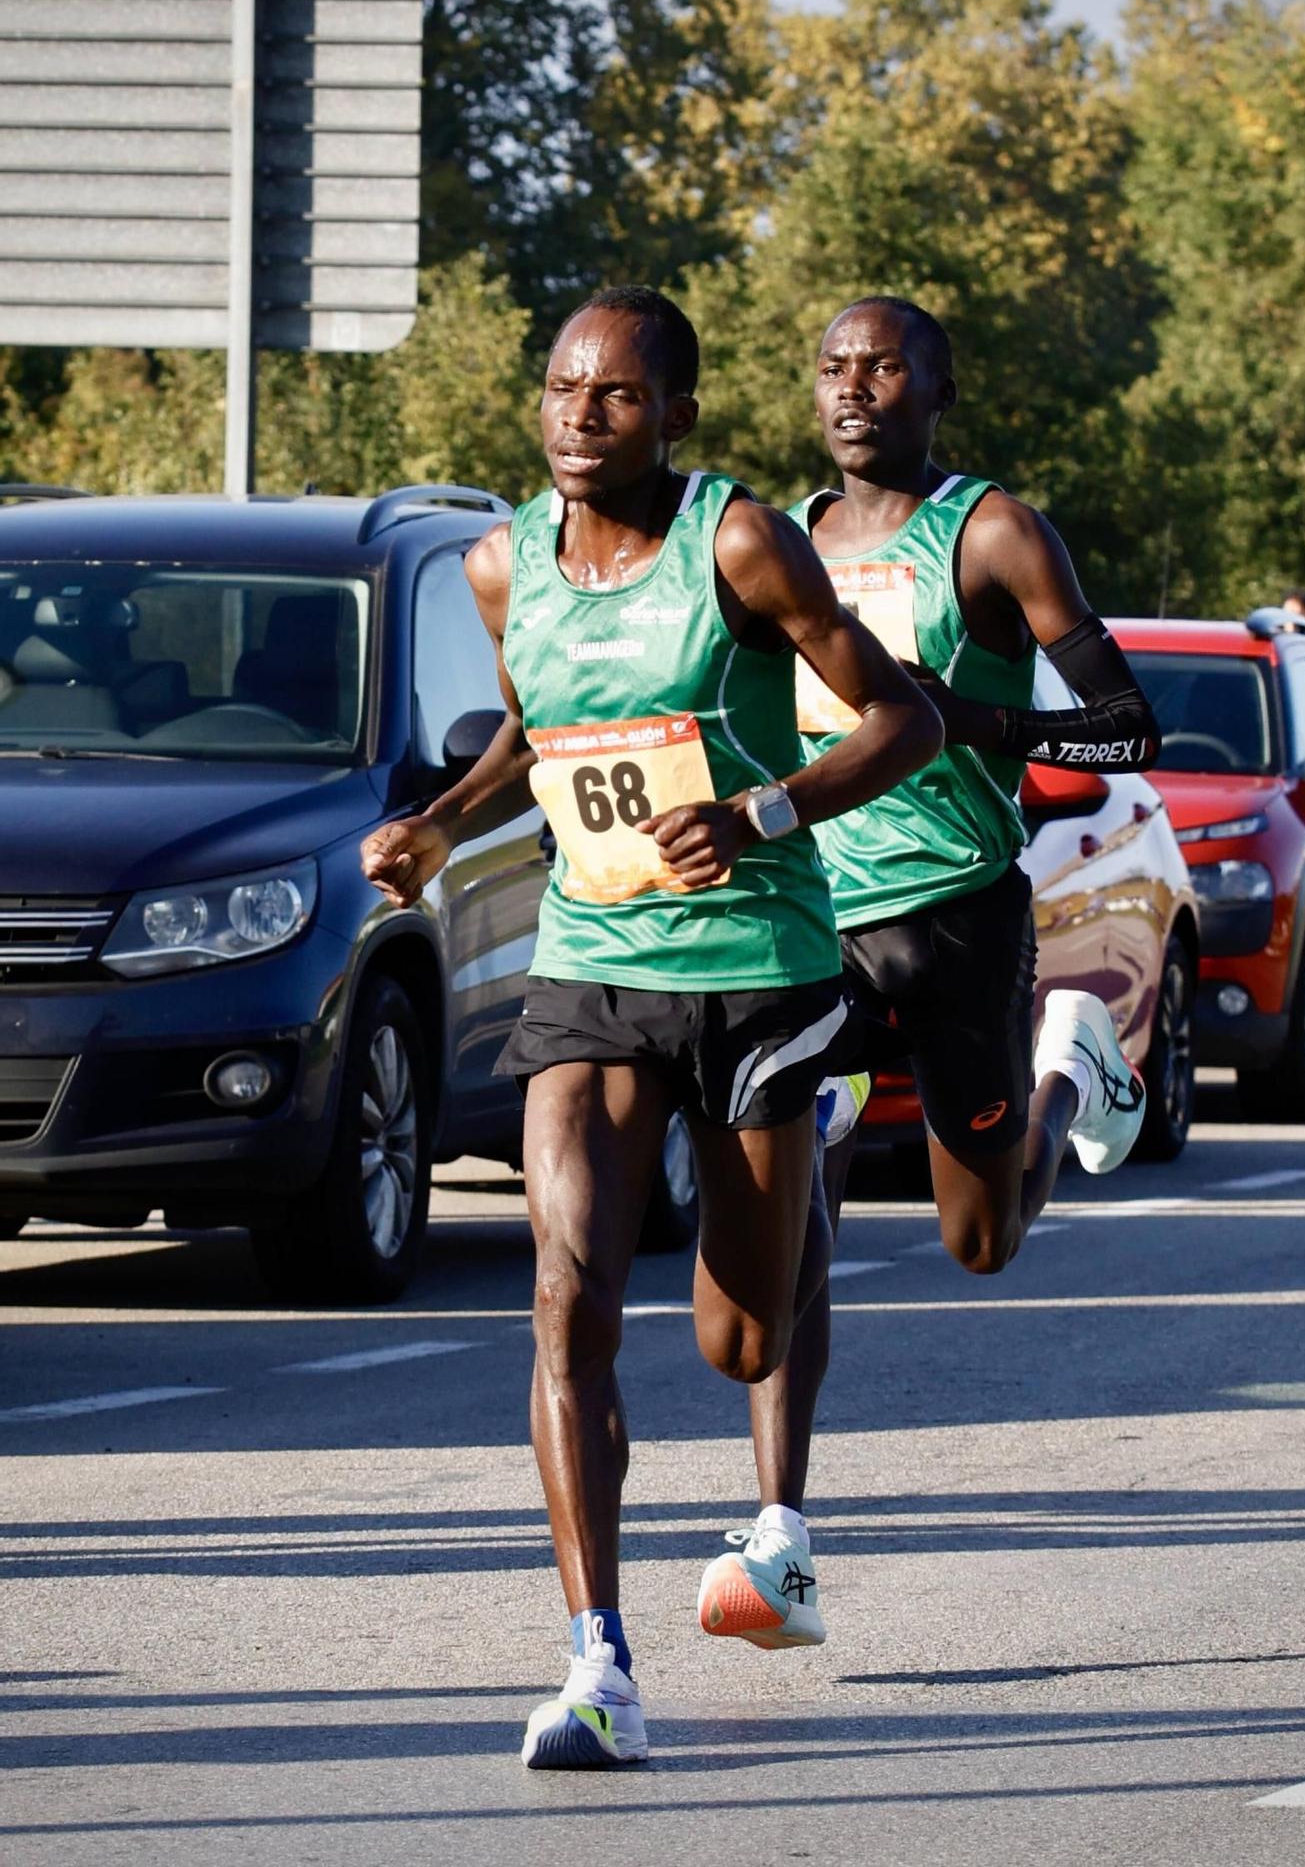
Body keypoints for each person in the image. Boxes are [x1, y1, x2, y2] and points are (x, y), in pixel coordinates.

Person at [361, 286, 944, 1767]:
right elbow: (536, 730)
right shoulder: (504, 565)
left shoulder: (740, 541)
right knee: (567, 1293)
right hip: (594, 965)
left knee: (739, 1338)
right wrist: (437, 823)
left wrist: (758, 810)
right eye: (559, 390)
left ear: (674, 414)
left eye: (613, 396)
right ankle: (595, 1668)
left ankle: (783, 1298)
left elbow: (903, 722)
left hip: (756, 966)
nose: (576, 418)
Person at [697, 293, 1161, 1651]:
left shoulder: (991, 530)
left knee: (978, 1242)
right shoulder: (771, 544)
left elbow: (1129, 729)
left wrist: (970, 717)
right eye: (831, 368)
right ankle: (777, 1536)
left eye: (880, 367)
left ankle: (1065, 1072)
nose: (851, 389)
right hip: (806, 917)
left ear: (934, 387)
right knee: (794, 1213)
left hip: (957, 915)